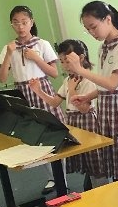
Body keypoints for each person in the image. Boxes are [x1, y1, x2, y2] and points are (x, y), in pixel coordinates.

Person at [66, 1, 118, 182]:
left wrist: (80, 70)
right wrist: (88, 96)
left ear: (108, 19)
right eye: (88, 30)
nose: (92, 33)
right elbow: (104, 83)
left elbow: (112, 84)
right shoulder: (104, 46)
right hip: (106, 105)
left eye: (94, 27)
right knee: (111, 151)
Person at [0, 4, 62, 192]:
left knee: (53, 132)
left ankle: (61, 176)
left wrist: (35, 57)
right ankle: (51, 177)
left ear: (31, 23)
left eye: (24, 22)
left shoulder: (42, 44)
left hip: (41, 88)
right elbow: (2, 78)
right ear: (11, 25)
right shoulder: (9, 48)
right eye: (16, 23)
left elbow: (54, 73)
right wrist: (9, 54)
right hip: (22, 93)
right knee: (34, 135)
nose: (20, 27)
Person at [28, 39, 101, 180]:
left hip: (87, 122)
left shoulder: (88, 80)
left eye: (68, 61)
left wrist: (72, 90)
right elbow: (55, 102)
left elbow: (84, 109)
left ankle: (101, 187)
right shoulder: (68, 80)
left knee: (94, 159)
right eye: (62, 61)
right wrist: (38, 91)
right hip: (73, 121)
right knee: (84, 160)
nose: (65, 66)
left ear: (80, 58)